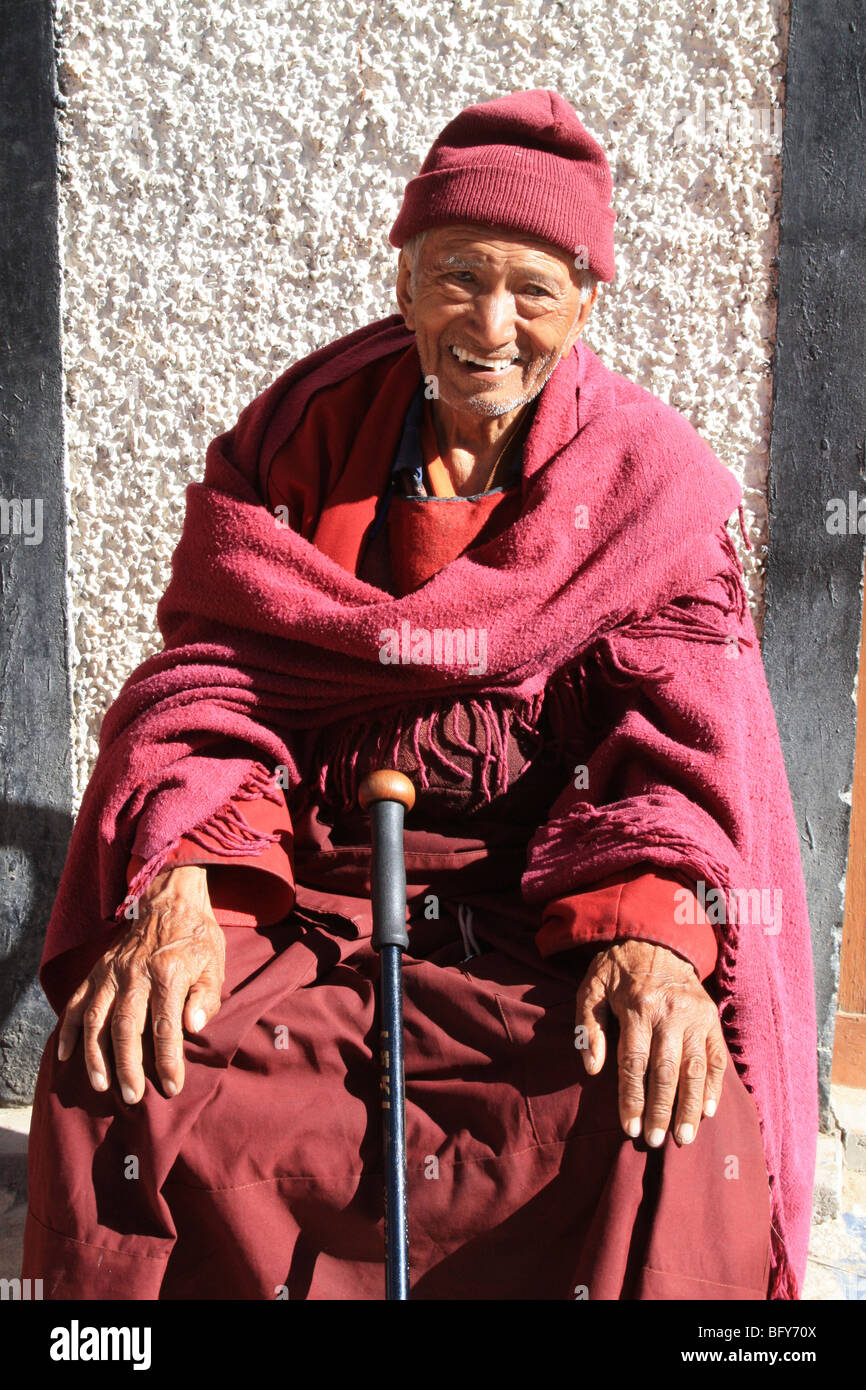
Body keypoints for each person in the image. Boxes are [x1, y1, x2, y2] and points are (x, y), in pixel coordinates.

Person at [22, 88, 817, 1300]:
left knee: (666, 1112)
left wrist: (652, 940)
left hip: (537, 911)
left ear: (585, 304)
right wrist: (180, 882)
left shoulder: (643, 483)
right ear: (403, 282)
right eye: (457, 277)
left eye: (532, 289)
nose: (489, 323)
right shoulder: (299, 439)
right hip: (306, 892)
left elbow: (679, 756)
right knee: (119, 1066)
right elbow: (205, 687)